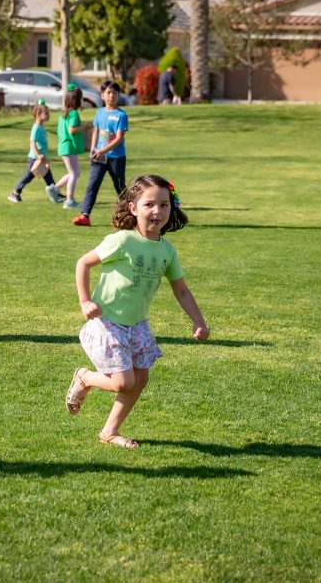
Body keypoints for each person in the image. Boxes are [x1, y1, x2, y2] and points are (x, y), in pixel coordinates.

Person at [64, 174, 209, 449]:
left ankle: (109, 431)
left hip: (137, 325)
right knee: (122, 382)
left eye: (164, 205)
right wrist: (85, 301)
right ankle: (84, 377)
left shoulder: (167, 251)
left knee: (140, 380)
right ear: (133, 208)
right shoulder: (122, 241)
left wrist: (198, 321)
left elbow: (181, 290)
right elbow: (83, 263)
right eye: (150, 204)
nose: (157, 211)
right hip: (108, 323)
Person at [72, 81, 128, 227]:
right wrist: (93, 149)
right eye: (108, 93)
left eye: (115, 93)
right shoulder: (99, 113)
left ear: (118, 95)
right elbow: (95, 131)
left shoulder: (121, 115)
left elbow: (119, 138)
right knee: (93, 185)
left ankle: (130, 216)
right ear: (102, 95)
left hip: (116, 157)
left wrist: (103, 150)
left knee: (120, 187)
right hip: (99, 157)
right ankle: (85, 215)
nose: (111, 96)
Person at [7, 102, 64, 204]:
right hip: (35, 159)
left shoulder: (41, 127)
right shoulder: (36, 127)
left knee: (48, 177)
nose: (48, 115)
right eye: (46, 113)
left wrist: (44, 156)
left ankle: (56, 195)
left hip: (41, 159)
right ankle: (15, 193)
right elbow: (32, 141)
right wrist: (38, 155)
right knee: (27, 177)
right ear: (38, 114)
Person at [54, 83, 91, 210]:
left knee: (74, 172)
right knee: (74, 173)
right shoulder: (74, 113)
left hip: (64, 146)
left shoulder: (63, 114)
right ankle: (69, 199)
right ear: (77, 100)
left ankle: (55, 189)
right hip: (68, 147)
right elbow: (72, 130)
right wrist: (85, 126)